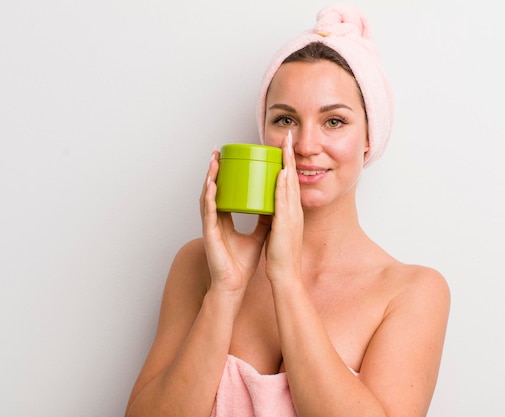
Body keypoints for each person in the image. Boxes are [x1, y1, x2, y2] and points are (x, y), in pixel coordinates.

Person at [125, 4, 450, 417]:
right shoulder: (199, 265)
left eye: (334, 121)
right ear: (264, 133)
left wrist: (286, 281)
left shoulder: (412, 292)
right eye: (285, 120)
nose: (305, 145)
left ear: (369, 136)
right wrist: (225, 291)